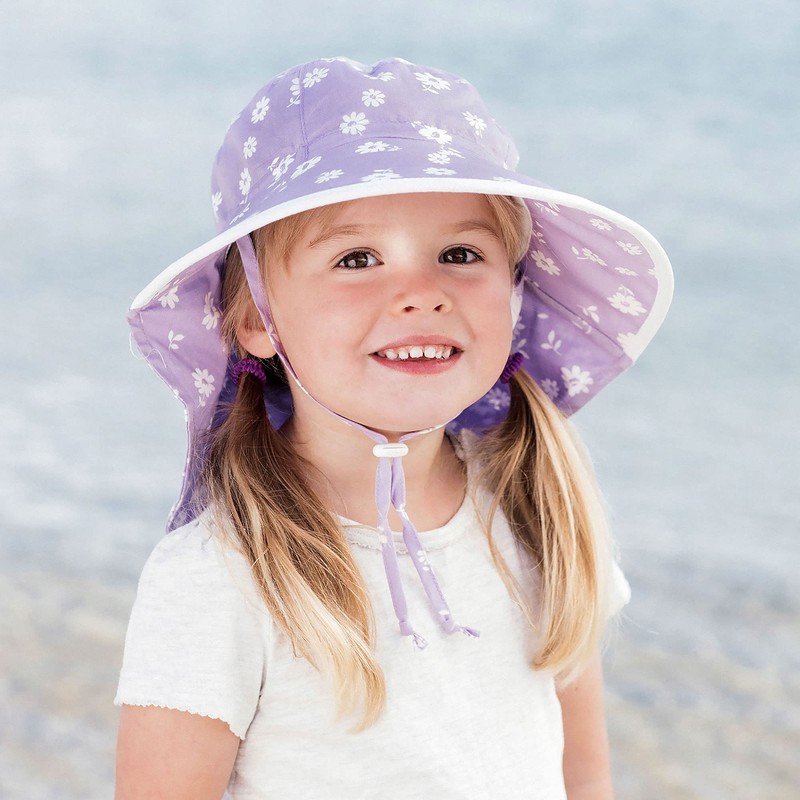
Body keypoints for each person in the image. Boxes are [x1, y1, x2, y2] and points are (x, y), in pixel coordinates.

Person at [114, 57, 673, 799]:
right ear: (255, 319)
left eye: (460, 254)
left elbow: (584, 779)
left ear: (514, 293)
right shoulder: (218, 575)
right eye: (357, 258)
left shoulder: (535, 507)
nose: (421, 294)